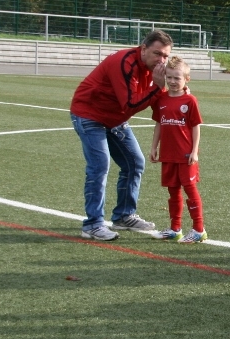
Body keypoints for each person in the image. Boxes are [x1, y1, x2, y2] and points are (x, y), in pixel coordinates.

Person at [70, 29, 172, 240]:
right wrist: (157, 87)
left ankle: (124, 216)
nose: (161, 60)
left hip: (114, 118)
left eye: (165, 56)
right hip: (89, 114)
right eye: (157, 53)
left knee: (135, 162)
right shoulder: (124, 63)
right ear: (143, 49)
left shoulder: (152, 69)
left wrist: (177, 96)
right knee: (99, 165)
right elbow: (130, 104)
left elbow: (158, 105)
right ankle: (92, 224)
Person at [148, 56, 206, 243]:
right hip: (168, 153)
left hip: (185, 154)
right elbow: (159, 124)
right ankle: (175, 229)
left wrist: (194, 151)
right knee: (172, 190)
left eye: (177, 78)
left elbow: (196, 127)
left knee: (190, 189)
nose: (172, 81)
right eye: (169, 77)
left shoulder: (190, 100)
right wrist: (154, 147)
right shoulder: (162, 99)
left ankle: (199, 230)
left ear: (187, 79)